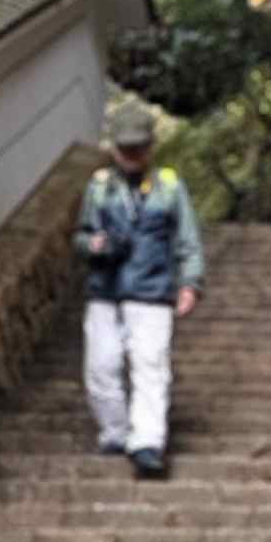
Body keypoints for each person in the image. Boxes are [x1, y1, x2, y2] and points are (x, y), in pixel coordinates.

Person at [75, 93, 205, 479]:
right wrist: (92, 245)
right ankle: (115, 430)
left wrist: (190, 283)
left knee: (150, 366)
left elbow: (187, 239)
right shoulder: (98, 187)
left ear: (150, 147)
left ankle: (148, 442)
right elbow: (81, 237)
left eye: (138, 148)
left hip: (152, 290)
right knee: (101, 366)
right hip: (105, 290)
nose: (132, 156)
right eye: (125, 149)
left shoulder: (169, 186)